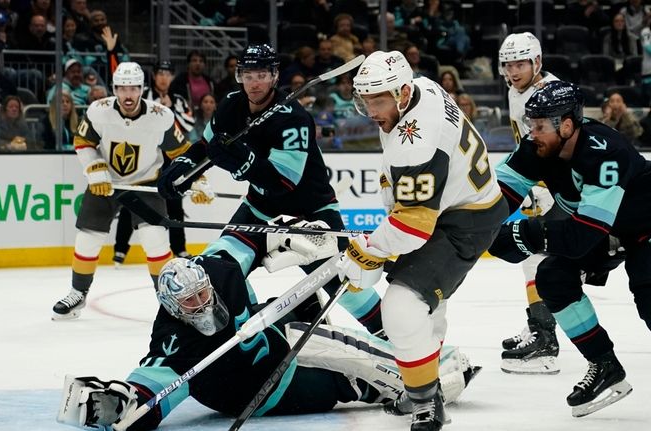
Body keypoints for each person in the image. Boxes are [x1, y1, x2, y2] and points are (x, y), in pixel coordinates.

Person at [56, 254, 481, 431]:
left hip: (275, 337)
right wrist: (121, 403)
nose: (202, 304)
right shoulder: (173, 339)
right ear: (173, 308)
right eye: (190, 302)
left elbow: (256, 247)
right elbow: (151, 390)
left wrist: (287, 238)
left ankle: (424, 368)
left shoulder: (221, 273)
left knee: (331, 321)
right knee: (349, 376)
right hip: (257, 393)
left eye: (203, 294)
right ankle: (439, 376)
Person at [157, 44, 387, 337]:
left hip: (310, 214)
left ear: (275, 76)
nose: (255, 82)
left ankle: (392, 335)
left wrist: (241, 163)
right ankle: (245, 335)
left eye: (262, 74)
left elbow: (282, 183)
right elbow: (206, 147)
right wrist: (185, 168)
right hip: (259, 211)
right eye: (248, 74)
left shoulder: (294, 119)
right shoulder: (230, 105)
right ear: (239, 76)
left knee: (341, 280)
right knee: (219, 271)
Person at [340, 50, 507, 431]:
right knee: (426, 303)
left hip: (465, 220)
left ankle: (426, 403)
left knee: (402, 306)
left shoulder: (417, 141)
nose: (371, 110)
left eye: (378, 100)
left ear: (400, 93)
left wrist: (367, 250)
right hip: (459, 205)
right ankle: (428, 386)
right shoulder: (424, 87)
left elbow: (412, 228)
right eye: (364, 100)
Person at [487, 80, 649, 417]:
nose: (532, 133)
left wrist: (523, 234)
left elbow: (580, 237)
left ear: (567, 125)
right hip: (608, 229)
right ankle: (605, 365)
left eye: (540, 126)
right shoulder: (538, 148)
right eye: (531, 125)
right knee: (553, 277)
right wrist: (468, 225)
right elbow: (495, 200)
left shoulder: (605, 152)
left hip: (645, 226)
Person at [51, 62, 200, 320]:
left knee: (155, 241)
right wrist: (95, 170)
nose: (128, 95)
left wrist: (197, 180)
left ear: (142, 89)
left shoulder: (161, 116)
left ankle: (166, 299)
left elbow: (181, 153)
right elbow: (83, 141)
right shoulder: (99, 111)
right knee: (88, 238)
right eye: (122, 88)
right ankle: (78, 292)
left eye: (133, 88)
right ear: (114, 89)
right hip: (106, 182)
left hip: (147, 184)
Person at [496, 31, 562, 375]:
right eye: (507, 64)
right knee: (534, 260)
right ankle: (540, 326)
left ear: (537, 62)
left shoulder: (549, 95)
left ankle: (545, 341)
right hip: (538, 184)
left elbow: (556, 149)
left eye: (520, 63)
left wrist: (542, 184)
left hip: (556, 188)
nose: (513, 70)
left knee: (541, 261)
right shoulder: (515, 91)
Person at [113, 60, 199, 266]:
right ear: (154, 76)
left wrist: (172, 111)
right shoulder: (143, 96)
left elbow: (189, 123)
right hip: (146, 154)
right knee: (132, 200)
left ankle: (179, 248)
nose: (163, 77)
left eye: (167, 73)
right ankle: (120, 249)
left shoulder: (177, 99)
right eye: (160, 73)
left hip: (170, 156)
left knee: (175, 202)